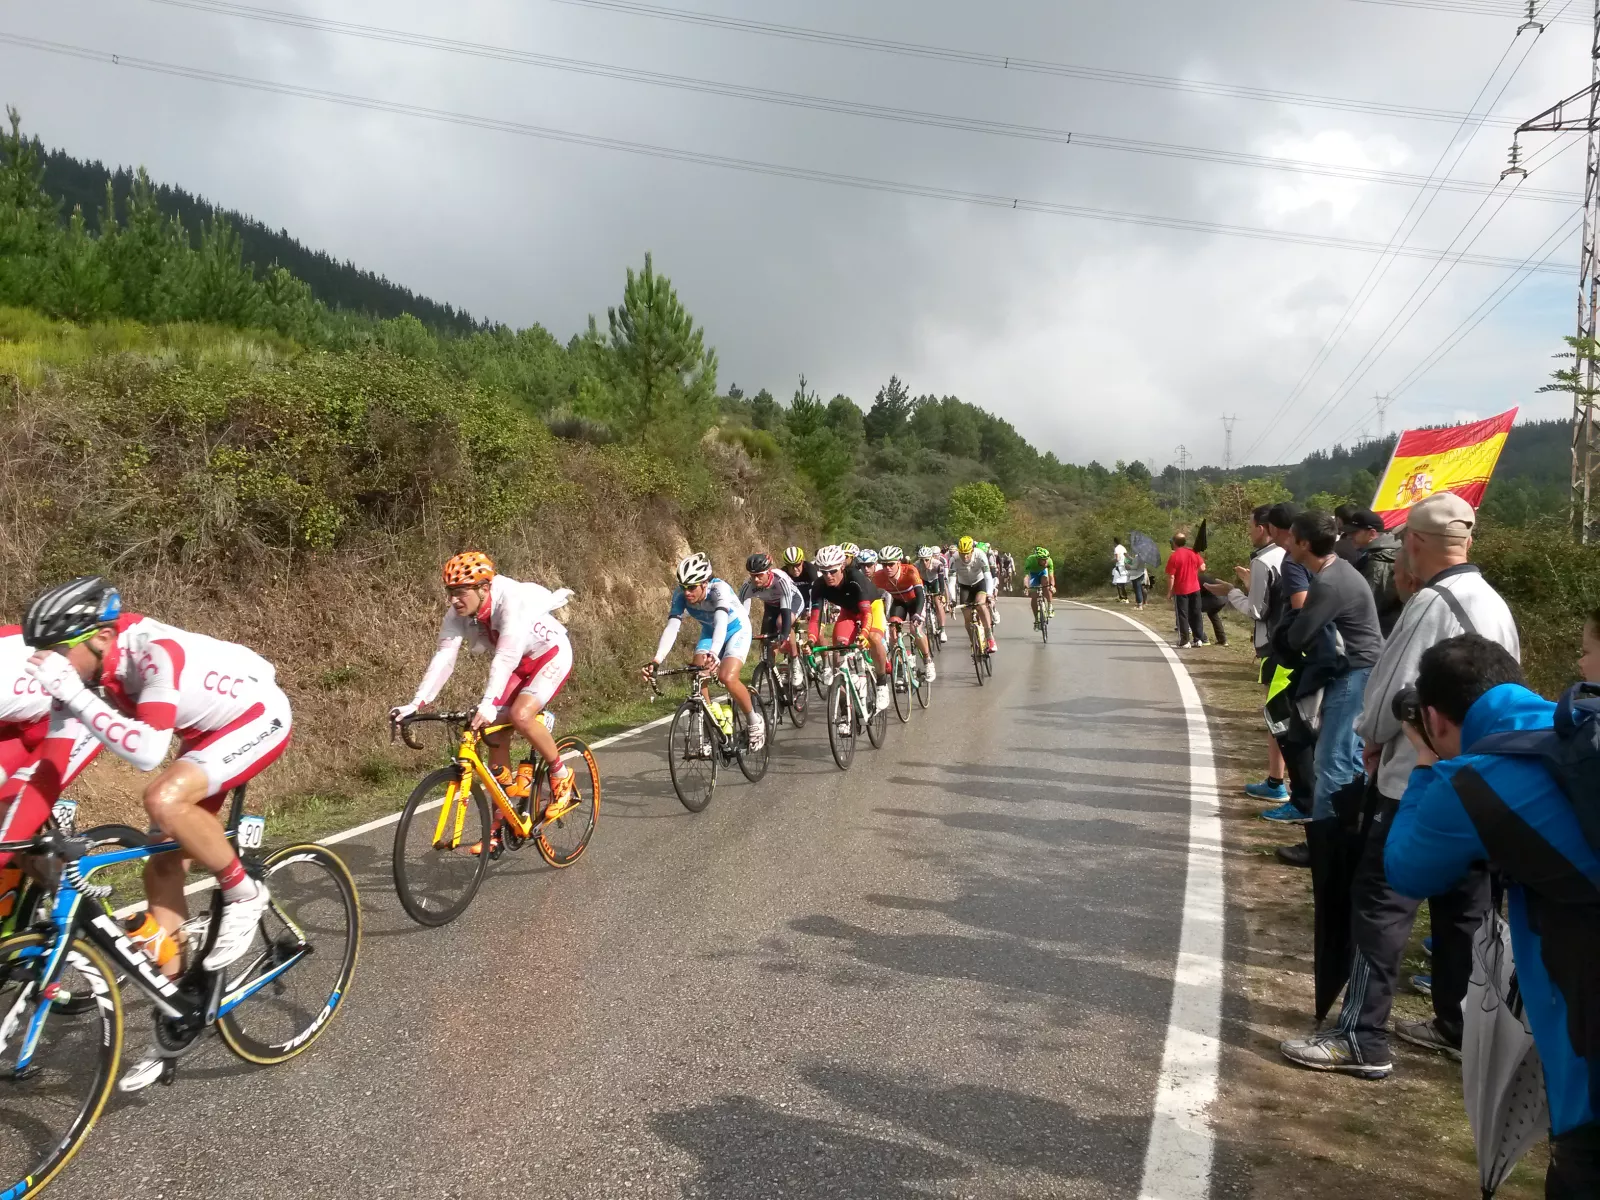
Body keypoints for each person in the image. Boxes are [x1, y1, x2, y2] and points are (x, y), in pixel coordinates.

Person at [1305, 492, 1519, 1075]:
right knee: (1463, 907)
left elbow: (1388, 688)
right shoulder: (1493, 601)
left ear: (1417, 543)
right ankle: (1457, 1023)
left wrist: (1370, 738)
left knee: (1381, 902)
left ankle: (1362, 1036)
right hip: (1481, 780)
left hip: (1416, 777)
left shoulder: (1431, 601)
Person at [1384, 636, 1600, 1195]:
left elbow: (1406, 869)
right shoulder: (1576, 723)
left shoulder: (1473, 780)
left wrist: (1426, 764)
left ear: (1434, 717)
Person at [393, 553, 578, 841]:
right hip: (519, 663)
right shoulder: (457, 614)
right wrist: (416, 703)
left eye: (461, 592)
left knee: (520, 715)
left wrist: (489, 703)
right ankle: (501, 821)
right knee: (490, 730)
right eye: (450, 592)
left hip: (550, 654)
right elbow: (444, 657)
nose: (454, 600)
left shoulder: (511, 600)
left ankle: (561, 775)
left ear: (484, 588)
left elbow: (504, 659)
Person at [644, 553, 764, 750]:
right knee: (697, 674)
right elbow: (672, 628)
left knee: (727, 677)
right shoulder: (680, 595)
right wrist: (656, 660)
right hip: (710, 631)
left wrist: (714, 653)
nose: (687, 592)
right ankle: (711, 725)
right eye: (683, 587)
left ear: (705, 583)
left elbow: (721, 622)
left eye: (692, 587)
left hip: (736, 629)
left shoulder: (719, 590)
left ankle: (754, 721)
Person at [1207, 504, 1287, 802]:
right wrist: (1248, 584)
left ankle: (1277, 783)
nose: (1248, 531)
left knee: (1277, 718)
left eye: (1250, 526)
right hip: (1292, 643)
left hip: (1276, 647)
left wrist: (1231, 591)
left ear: (1263, 529)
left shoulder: (1264, 560)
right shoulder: (1289, 555)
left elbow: (1257, 610)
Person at [1260, 502, 1314, 844]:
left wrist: (1288, 644)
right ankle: (1285, 788)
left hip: (1294, 657)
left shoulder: (1292, 561)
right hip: (1316, 657)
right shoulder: (1336, 561)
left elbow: (1301, 609)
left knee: (1284, 721)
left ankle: (1296, 797)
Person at [807, 544, 890, 713]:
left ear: (842, 566)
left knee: (873, 638)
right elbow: (815, 618)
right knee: (839, 649)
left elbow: (866, 613)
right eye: (824, 572)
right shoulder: (819, 585)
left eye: (832, 571)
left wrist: (864, 634)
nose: (828, 576)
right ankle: (844, 711)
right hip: (849, 613)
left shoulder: (855, 578)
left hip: (871, 608)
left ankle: (882, 684)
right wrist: (810, 640)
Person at [872, 547, 935, 682]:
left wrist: (917, 614)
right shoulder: (878, 576)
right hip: (899, 603)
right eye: (884, 564)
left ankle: (927, 660)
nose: (887, 568)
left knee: (915, 629)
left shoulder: (910, 571)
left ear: (899, 563)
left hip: (915, 601)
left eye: (891, 564)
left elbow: (920, 595)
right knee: (893, 630)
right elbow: (869, 598)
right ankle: (900, 666)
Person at [950, 536, 996, 654]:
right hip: (964, 586)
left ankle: (990, 638)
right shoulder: (954, 559)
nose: (965, 556)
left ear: (972, 550)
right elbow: (951, 581)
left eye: (967, 553)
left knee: (981, 605)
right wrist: (952, 599)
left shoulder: (980, 555)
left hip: (979, 583)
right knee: (967, 617)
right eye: (962, 553)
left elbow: (988, 577)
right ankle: (973, 642)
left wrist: (989, 594)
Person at [1164, 533, 1206, 648]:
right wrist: (1193, 569)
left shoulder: (1174, 556)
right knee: (1196, 613)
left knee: (1182, 615)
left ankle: (1184, 641)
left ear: (1174, 543)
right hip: (1195, 588)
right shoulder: (1193, 552)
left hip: (1181, 589)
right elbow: (1203, 568)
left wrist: (1170, 591)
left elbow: (1171, 576)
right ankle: (1198, 639)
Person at [917, 546, 951, 643]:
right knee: (921, 601)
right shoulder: (916, 565)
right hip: (923, 581)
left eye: (927, 560)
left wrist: (941, 593)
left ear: (931, 558)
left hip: (935, 581)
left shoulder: (938, 564)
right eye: (922, 560)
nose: (924, 563)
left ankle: (943, 630)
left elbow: (941, 580)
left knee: (937, 602)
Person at [1023, 545, 1055, 628]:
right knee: (1034, 596)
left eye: (1046, 559)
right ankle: (1036, 619)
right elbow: (1026, 576)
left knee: (1046, 584)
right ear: (1038, 559)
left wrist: (1052, 586)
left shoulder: (1049, 561)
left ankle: (1050, 606)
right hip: (1033, 574)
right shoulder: (1030, 560)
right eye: (1043, 560)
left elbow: (1051, 576)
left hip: (1043, 572)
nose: (1046, 562)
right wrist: (1026, 587)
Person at [1112, 539, 1130, 603]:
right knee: (1121, 582)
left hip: (1119, 566)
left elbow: (1117, 559)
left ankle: (1124, 598)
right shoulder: (1123, 547)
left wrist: (1112, 560)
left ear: (1115, 542)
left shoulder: (1116, 548)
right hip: (1124, 566)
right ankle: (1121, 597)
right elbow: (1127, 556)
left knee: (1119, 582)